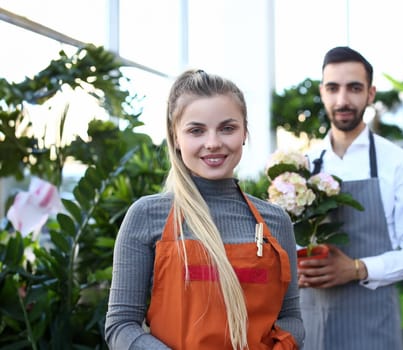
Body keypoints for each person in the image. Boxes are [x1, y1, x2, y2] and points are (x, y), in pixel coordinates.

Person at [105, 69, 304, 350]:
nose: (213, 143)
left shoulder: (275, 221)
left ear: (244, 132)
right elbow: (121, 326)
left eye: (227, 128)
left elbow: (290, 317)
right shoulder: (147, 215)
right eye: (196, 130)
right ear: (175, 137)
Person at [297, 46, 403, 350]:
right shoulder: (300, 167)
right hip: (312, 325)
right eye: (333, 88)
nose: (343, 100)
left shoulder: (399, 163)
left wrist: (358, 268)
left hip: (373, 326)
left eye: (354, 88)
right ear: (322, 92)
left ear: (371, 93)